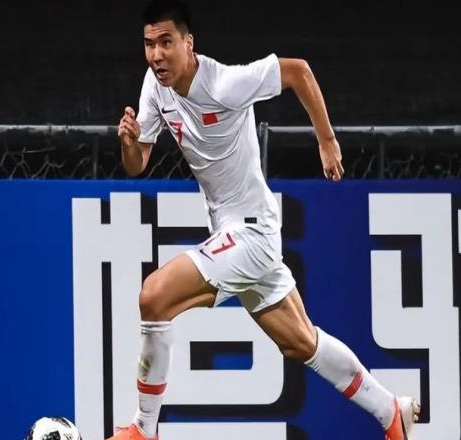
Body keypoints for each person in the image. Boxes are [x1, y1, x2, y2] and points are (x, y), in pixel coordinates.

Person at [112, 1, 420, 439]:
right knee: (301, 341)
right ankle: (391, 410)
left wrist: (327, 140)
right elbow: (137, 162)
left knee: (154, 297)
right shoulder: (155, 86)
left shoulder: (224, 83)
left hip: (250, 233)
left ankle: (144, 430)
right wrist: (129, 142)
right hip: (236, 234)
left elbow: (298, 71)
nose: (157, 55)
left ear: (188, 43)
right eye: (149, 45)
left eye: (166, 42)